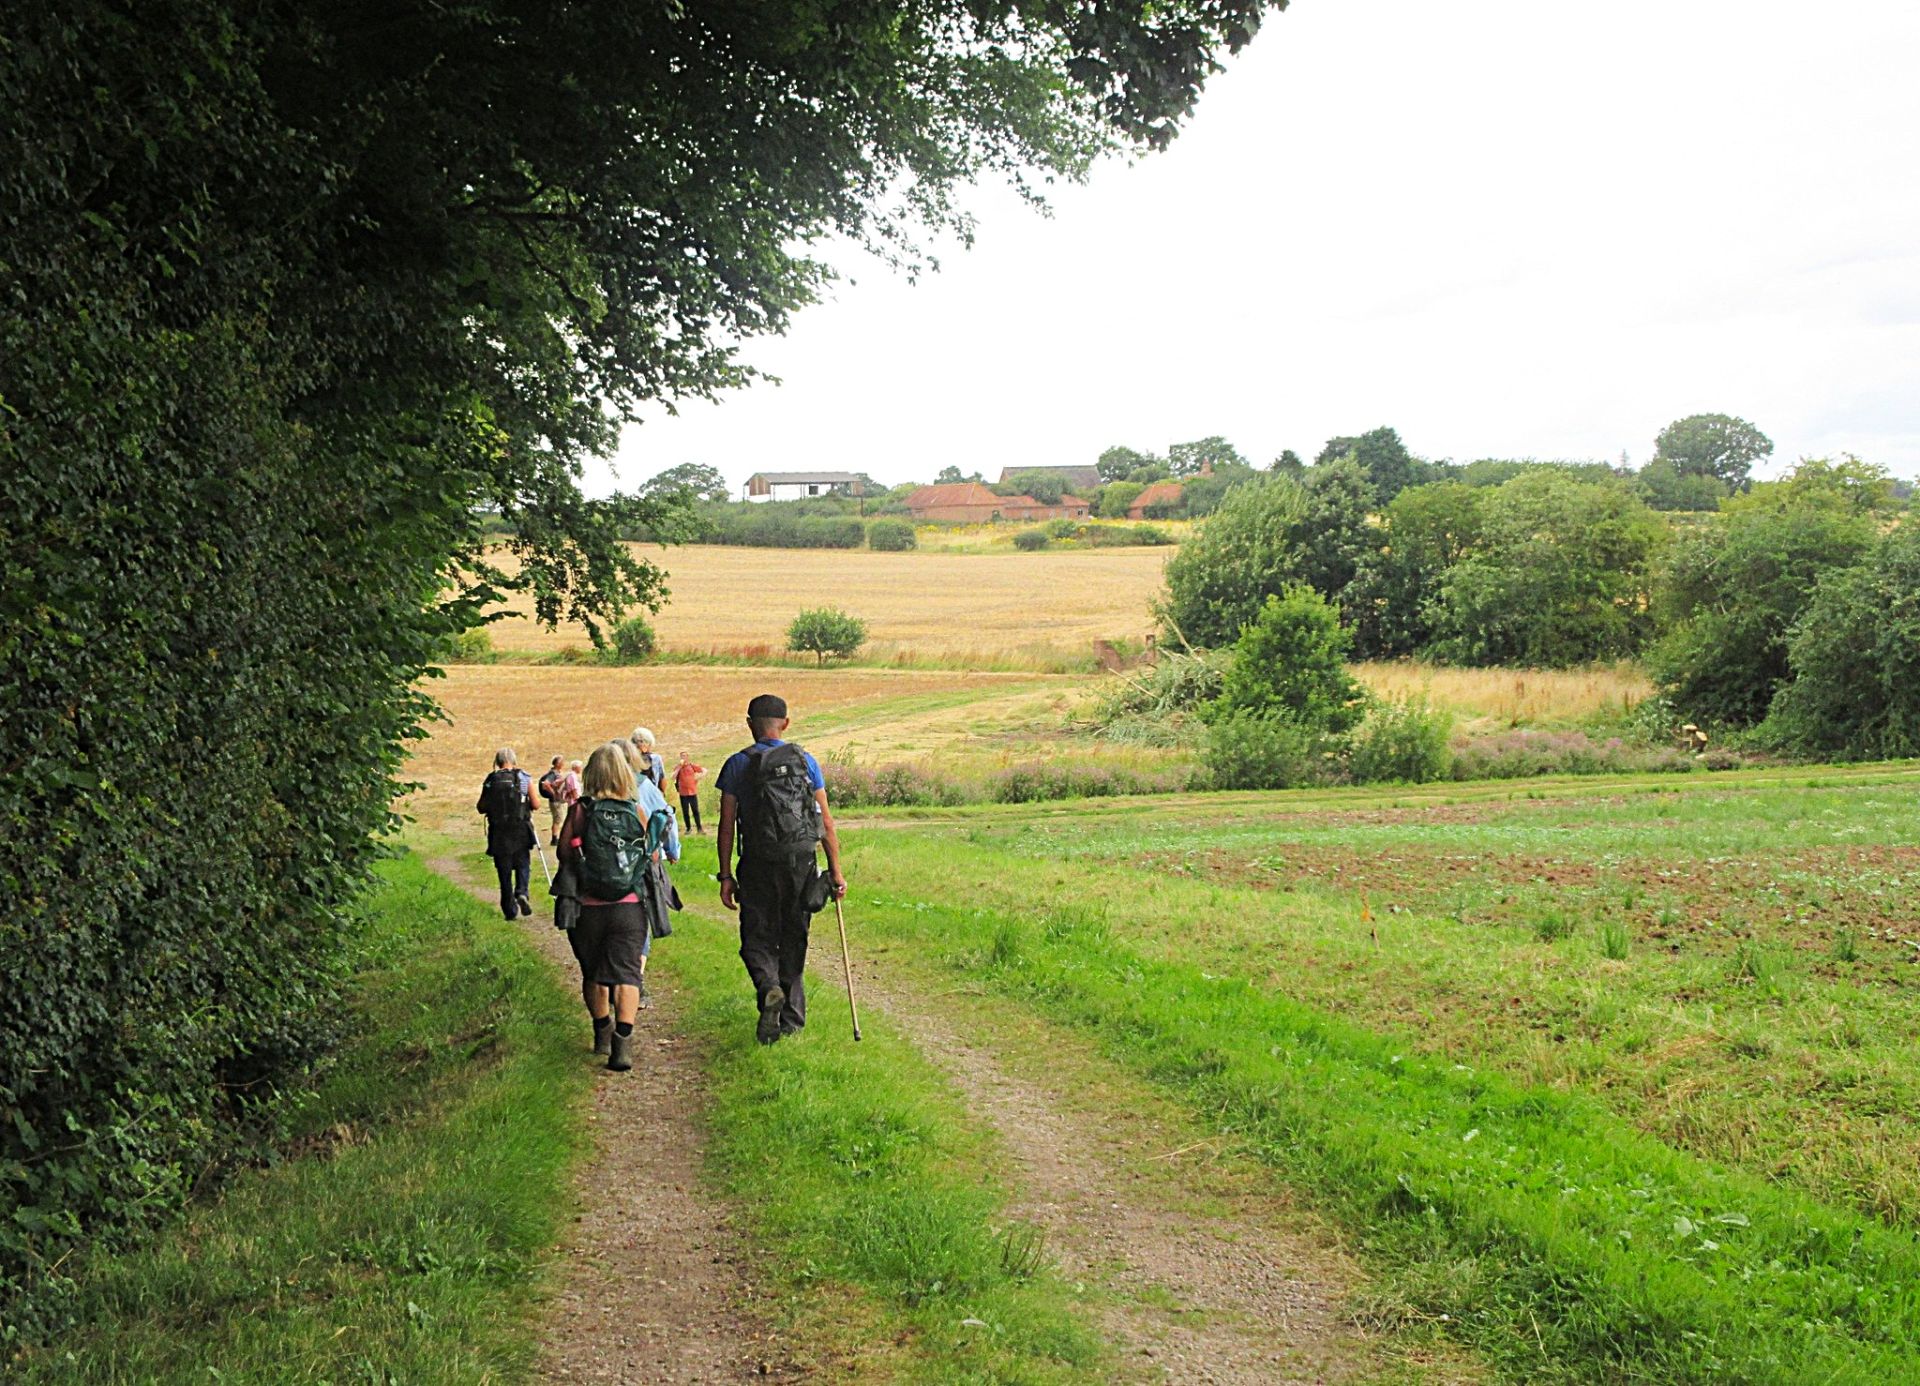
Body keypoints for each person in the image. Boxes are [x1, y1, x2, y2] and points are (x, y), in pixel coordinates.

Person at [715, 693, 846, 1045]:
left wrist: (726, 874)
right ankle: (791, 1022)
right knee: (794, 936)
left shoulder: (736, 765)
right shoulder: (806, 762)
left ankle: (769, 987)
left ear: (749, 724)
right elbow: (825, 821)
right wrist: (835, 872)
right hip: (800, 863)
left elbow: (726, 825)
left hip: (758, 863)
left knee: (756, 938)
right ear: (785, 724)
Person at [558, 744, 671, 1071]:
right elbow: (650, 857)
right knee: (627, 973)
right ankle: (623, 1044)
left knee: (592, 972)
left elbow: (565, 853)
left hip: (588, 908)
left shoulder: (580, 811)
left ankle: (602, 1032)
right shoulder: (635, 810)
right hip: (629, 907)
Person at [613, 739, 682, 1009]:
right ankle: (635, 983)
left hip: (601, 871)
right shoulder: (642, 786)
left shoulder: (592, 792)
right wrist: (672, 849)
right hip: (638, 867)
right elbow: (666, 817)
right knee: (640, 923)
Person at [476, 748, 540, 921]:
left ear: (497, 761)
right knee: (523, 864)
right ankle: (522, 892)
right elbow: (536, 804)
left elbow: (481, 806)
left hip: (499, 832)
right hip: (520, 829)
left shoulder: (490, 780)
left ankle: (509, 910)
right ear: (514, 760)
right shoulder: (524, 778)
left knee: (503, 872)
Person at [538, 755, 570, 847]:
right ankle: (555, 839)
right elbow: (546, 784)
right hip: (556, 802)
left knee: (557, 819)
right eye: (562, 762)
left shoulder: (554, 773)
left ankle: (555, 838)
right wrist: (554, 794)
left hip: (555, 801)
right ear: (558, 764)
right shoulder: (553, 774)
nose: (563, 763)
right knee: (558, 820)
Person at [674, 750, 705, 834]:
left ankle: (699, 828)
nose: (683, 757)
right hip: (683, 793)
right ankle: (688, 828)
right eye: (682, 756)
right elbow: (673, 777)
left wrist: (698, 778)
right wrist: (679, 767)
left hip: (692, 792)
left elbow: (704, 770)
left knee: (695, 811)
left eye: (685, 756)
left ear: (687, 757)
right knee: (685, 811)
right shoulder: (678, 767)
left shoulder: (692, 766)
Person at [631, 725, 668, 794]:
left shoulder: (628, 758)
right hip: (652, 795)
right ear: (647, 743)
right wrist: (662, 793)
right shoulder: (655, 758)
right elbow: (662, 780)